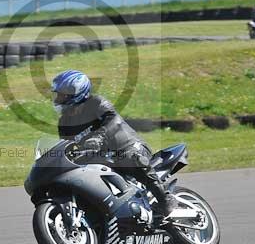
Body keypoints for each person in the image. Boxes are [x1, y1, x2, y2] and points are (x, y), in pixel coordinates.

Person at [51, 69, 177, 216]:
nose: (57, 99)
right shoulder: (64, 122)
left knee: (132, 158)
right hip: (100, 159)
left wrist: (98, 137)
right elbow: (68, 146)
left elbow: (113, 120)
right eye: (57, 94)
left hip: (128, 147)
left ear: (76, 93)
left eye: (62, 95)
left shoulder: (96, 103)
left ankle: (165, 199)